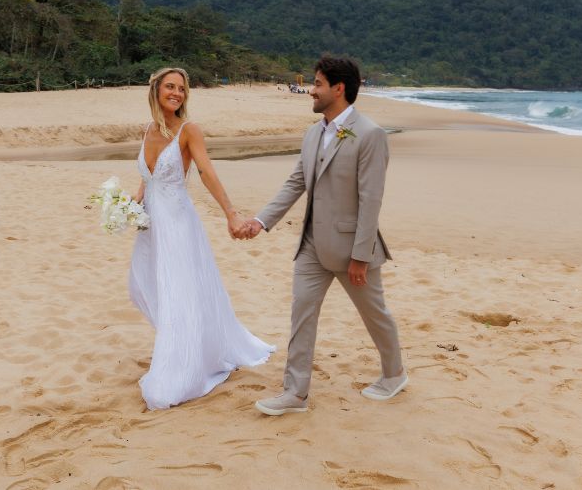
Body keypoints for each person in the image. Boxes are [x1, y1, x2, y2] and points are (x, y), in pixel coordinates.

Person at [238, 56, 407, 416]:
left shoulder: (371, 135)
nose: (310, 91)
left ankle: (394, 374)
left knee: (374, 313)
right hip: (311, 247)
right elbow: (296, 182)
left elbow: (370, 199)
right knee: (302, 313)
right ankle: (295, 393)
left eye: (316, 84)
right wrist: (261, 221)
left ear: (338, 88)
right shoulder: (313, 133)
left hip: (352, 250)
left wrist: (361, 255)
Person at [127, 67, 273, 410]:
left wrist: (231, 212)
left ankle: (181, 363)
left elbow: (206, 171)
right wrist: (129, 206)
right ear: (156, 90)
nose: (176, 93)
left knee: (178, 290)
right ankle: (183, 344)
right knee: (148, 285)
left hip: (177, 224)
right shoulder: (148, 129)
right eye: (170, 87)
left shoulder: (189, 131)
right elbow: (146, 179)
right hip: (151, 225)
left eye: (181, 89)